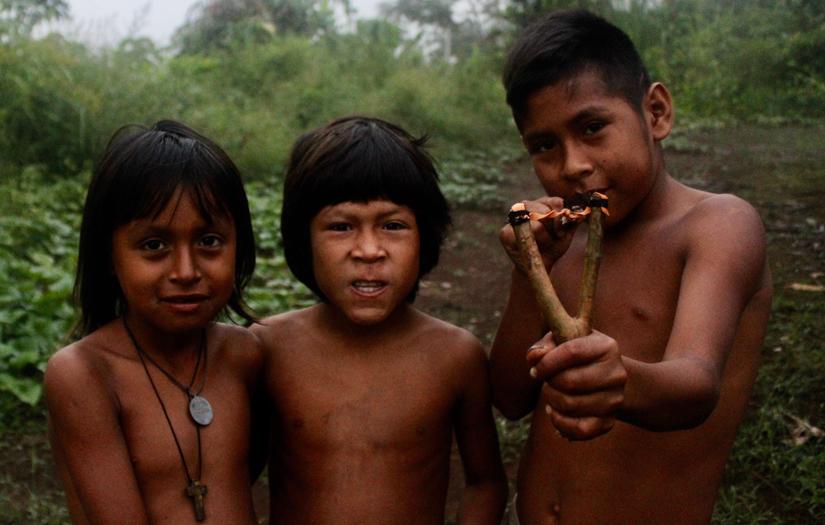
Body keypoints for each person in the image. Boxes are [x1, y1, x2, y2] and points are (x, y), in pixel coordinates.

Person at [490, 9, 772, 524]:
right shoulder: (563, 239)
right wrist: (528, 267)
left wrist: (619, 379)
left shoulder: (717, 225)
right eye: (544, 145)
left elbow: (696, 384)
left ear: (656, 112)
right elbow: (510, 397)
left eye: (593, 127)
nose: (573, 164)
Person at [252, 116, 508, 524]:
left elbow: (485, 483)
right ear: (303, 239)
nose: (369, 250)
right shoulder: (267, 348)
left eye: (393, 226)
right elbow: (229, 477)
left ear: (425, 237)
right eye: (341, 226)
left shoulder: (455, 356)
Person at [44, 120, 265, 524]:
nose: (185, 271)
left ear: (240, 245)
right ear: (109, 256)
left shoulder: (244, 355)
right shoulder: (86, 375)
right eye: (154, 245)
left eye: (209, 241)